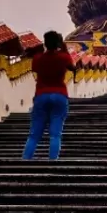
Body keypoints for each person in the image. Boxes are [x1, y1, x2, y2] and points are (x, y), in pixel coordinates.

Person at [22, 30, 75, 161]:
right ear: (58, 43)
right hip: (59, 95)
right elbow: (72, 66)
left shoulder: (38, 58)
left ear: (45, 43)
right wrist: (62, 47)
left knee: (34, 134)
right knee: (55, 134)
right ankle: (52, 161)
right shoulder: (63, 57)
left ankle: (26, 159)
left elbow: (34, 69)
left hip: (41, 95)